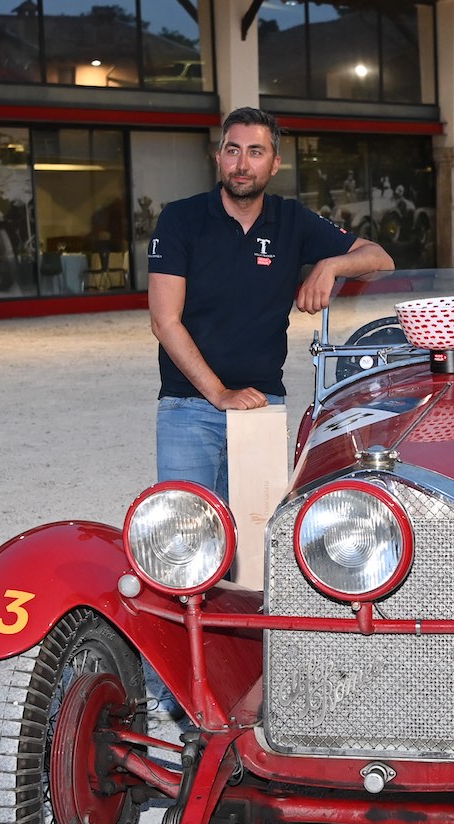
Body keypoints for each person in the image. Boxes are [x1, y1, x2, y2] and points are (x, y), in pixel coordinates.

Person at [144, 106, 393, 721]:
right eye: (232, 150)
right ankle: (168, 680)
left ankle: (253, 673)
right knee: (183, 544)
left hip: (263, 409)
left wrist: (330, 263)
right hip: (188, 407)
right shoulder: (181, 220)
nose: (242, 162)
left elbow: (380, 257)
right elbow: (163, 319)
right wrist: (218, 395)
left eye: (255, 152)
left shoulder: (291, 222)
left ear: (273, 163)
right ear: (218, 155)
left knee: (258, 546)